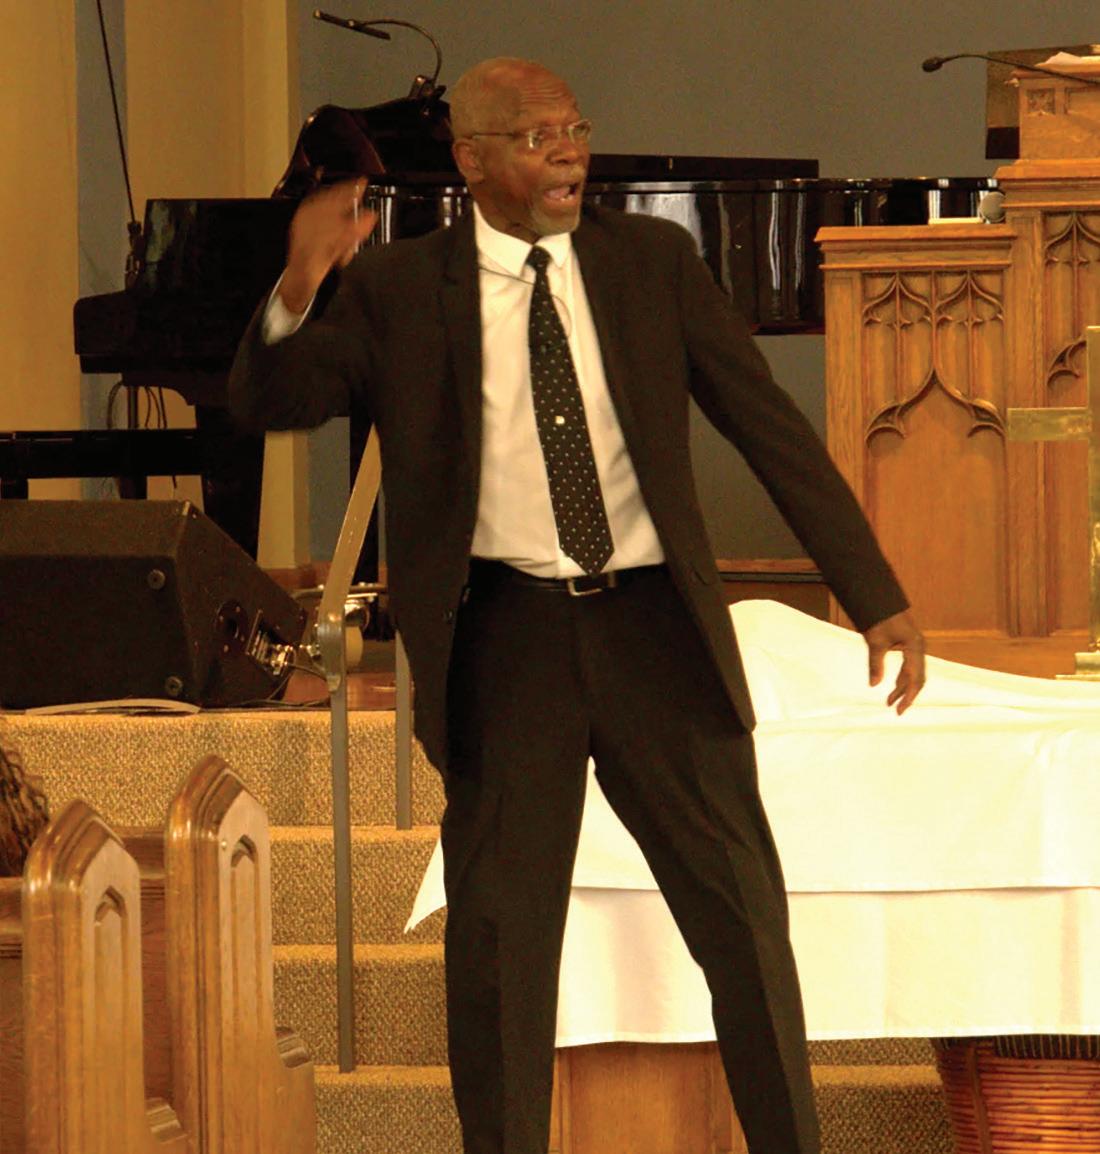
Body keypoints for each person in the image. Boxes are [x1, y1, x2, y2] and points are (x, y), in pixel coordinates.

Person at [229, 56, 925, 1154]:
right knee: (501, 949)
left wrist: (872, 591)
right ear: (470, 158)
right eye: (535, 135)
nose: (567, 152)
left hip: (655, 632)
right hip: (505, 639)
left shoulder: (652, 262)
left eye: (574, 129)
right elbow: (273, 398)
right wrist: (298, 285)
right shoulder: (401, 289)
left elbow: (766, 425)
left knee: (743, 923)